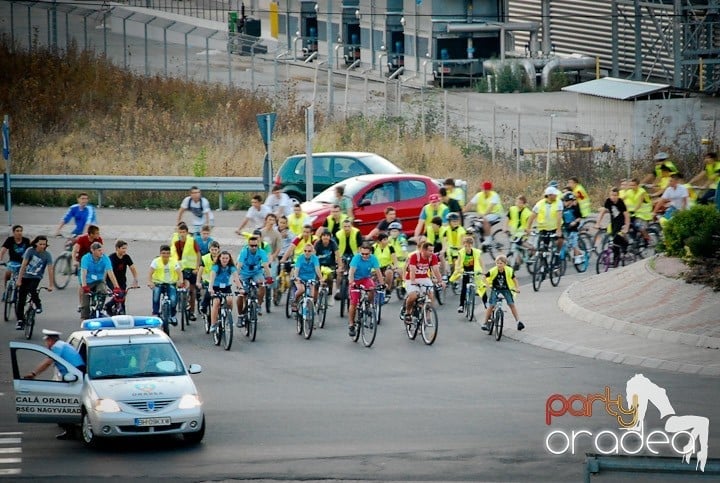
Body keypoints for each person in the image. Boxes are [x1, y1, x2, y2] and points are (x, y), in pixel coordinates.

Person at [25, 328, 86, 440]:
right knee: (65, 403)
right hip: (74, 375)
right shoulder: (62, 345)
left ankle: (70, 431)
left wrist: (34, 373)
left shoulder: (57, 346)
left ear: (50, 340)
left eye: (47, 341)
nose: (46, 344)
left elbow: (48, 362)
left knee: (64, 403)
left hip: (74, 375)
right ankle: (70, 429)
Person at [15, 236, 54, 330]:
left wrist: (51, 285)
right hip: (25, 276)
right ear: (36, 243)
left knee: (32, 289)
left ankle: (38, 304)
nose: (42, 246)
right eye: (40, 244)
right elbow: (24, 265)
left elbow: (50, 269)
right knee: (21, 299)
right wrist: (19, 280)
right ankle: (20, 320)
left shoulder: (47, 255)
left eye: (44, 244)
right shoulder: (30, 251)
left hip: (36, 277)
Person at [402, 241, 444, 325]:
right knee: (413, 296)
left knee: (430, 295)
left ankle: (427, 316)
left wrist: (440, 281)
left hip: (424, 278)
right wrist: (413, 281)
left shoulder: (433, 257)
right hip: (411, 278)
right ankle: (408, 312)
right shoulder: (415, 256)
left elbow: (436, 270)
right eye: (430, 251)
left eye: (433, 250)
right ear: (423, 250)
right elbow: (412, 270)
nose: (432, 253)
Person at [347, 243, 384, 337]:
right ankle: (351, 324)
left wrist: (382, 284)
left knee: (372, 288)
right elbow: (351, 272)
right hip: (355, 280)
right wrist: (352, 283)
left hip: (365, 278)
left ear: (370, 253)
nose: (364, 256)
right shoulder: (356, 258)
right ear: (360, 251)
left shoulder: (373, 258)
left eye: (366, 254)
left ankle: (369, 305)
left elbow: (378, 272)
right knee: (354, 303)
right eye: (362, 253)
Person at [236, 235, 273, 324]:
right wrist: (236, 277)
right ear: (248, 245)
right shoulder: (244, 252)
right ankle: (240, 316)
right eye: (251, 246)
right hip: (244, 273)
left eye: (255, 246)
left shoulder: (261, 252)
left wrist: (269, 277)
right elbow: (239, 265)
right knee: (241, 294)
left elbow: (265, 265)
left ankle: (258, 305)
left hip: (257, 272)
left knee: (262, 285)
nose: (254, 248)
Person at [80, 242, 120, 320]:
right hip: (88, 281)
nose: (101, 252)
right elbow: (83, 273)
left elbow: (110, 273)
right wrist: (84, 286)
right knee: (85, 305)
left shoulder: (105, 258)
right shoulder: (86, 258)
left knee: (103, 291)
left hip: (99, 281)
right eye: (99, 250)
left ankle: (99, 309)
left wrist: (116, 287)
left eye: (101, 250)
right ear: (92, 251)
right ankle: (84, 318)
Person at [482, 255, 523, 331]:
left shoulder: (509, 270)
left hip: (506, 289)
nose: (499, 265)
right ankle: (485, 323)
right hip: (495, 289)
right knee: (492, 305)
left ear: (505, 264)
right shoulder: (493, 270)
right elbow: (484, 276)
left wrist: (517, 288)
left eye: (501, 263)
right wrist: (487, 285)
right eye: (497, 263)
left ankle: (518, 322)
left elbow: (514, 280)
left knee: (511, 304)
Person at [171, 222, 201, 320]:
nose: (182, 234)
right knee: (178, 287)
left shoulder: (192, 241)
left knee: (192, 291)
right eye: (180, 232)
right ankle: (177, 307)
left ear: (187, 232)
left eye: (184, 232)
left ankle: (192, 312)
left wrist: (197, 268)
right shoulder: (175, 241)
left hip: (191, 268)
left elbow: (198, 254)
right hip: (179, 268)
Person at [208, 250, 242, 333]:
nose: (225, 260)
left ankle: (228, 317)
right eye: (223, 258)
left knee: (230, 300)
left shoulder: (231, 267)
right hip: (216, 287)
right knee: (216, 302)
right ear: (219, 258)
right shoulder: (216, 266)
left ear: (229, 259)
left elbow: (236, 278)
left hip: (226, 287)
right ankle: (213, 324)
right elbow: (212, 277)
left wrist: (240, 288)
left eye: (226, 258)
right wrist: (210, 288)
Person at [449, 235, 485, 313]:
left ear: (472, 245)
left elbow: (481, 262)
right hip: (465, 270)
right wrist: (459, 269)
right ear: (463, 245)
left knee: (481, 286)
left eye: (469, 245)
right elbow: (458, 263)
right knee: (464, 288)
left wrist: (483, 271)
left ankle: (486, 303)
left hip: (474, 269)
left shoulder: (476, 252)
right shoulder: (461, 252)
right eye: (465, 245)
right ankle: (461, 305)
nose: (467, 247)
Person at [148, 244, 183, 325]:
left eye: (167, 253)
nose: (165, 255)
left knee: (173, 299)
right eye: (163, 253)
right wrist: (150, 282)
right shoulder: (156, 261)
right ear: (160, 253)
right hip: (158, 283)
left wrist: (180, 281)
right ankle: (155, 313)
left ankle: (173, 315)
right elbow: (150, 272)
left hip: (171, 283)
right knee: (156, 297)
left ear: (170, 254)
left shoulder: (174, 261)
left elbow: (179, 272)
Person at [103, 240, 140, 315]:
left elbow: (132, 268)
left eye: (125, 248)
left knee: (122, 299)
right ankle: (108, 306)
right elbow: (107, 271)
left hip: (122, 281)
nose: (125, 250)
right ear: (117, 248)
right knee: (119, 295)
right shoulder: (111, 257)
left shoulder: (126, 257)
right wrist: (103, 282)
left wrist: (135, 279)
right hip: (111, 281)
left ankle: (123, 314)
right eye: (123, 248)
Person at [72, 224, 103, 310]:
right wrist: (74, 260)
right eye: (97, 233)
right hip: (82, 264)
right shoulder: (82, 239)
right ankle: (81, 303)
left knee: (97, 280)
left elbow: (101, 252)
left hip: (94, 264)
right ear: (91, 234)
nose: (98, 235)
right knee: (82, 284)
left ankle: (95, 298)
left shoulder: (98, 240)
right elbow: (74, 250)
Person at [596, 188, 631, 265]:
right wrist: (598, 223)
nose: (613, 197)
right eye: (612, 195)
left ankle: (625, 246)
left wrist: (626, 227)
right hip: (614, 222)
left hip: (622, 222)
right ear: (609, 195)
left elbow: (626, 215)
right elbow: (603, 212)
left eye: (615, 195)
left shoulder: (620, 202)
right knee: (614, 242)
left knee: (617, 238)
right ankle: (616, 259)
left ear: (618, 196)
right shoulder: (608, 201)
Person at [463, 180, 503, 246]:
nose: (485, 191)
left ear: (490, 189)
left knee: (485, 219)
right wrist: (462, 212)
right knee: (473, 222)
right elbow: (470, 204)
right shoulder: (479, 195)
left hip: (495, 213)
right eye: (484, 189)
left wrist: (483, 215)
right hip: (483, 215)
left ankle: (488, 239)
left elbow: (490, 208)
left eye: (487, 189)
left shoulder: (494, 195)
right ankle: (480, 240)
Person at [525, 187, 564, 252]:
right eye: (554, 194)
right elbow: (532, 216)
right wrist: (528, 228)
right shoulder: (540, 204)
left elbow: (559, 216)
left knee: (560, 240)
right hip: (543, 228)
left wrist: (559, 229)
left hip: (555, 227)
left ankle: (557, 252)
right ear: (549, 195)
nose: (556, 195)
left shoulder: (558, 202)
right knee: (543, 247)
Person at [291, 243, 323, 313]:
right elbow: (296, 270)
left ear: (312, 252)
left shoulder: (315, 258)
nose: (307, 252)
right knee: (301, 289)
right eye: (305, 251)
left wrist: (321, 278)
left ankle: (310, 315)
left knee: (311, 296)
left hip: (311, 278)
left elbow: (317, 269)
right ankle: (295, 301)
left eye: (309, 251)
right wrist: (296, 277)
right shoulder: (300, 258)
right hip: (300, 278)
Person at [0, 224, 30, 290]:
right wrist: (0, 259)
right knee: (8, 273)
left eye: (21, 231)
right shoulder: (10, 239)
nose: (19, 232)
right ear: (13, 232)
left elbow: (30, 251)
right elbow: (3, 250)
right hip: (13, 262)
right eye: (17, 231)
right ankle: (6, 290)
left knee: (24, 278)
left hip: (24, 263)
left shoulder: (26, 240)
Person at [313, 228, 339, 297]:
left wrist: (340, 266)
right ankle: (314, 300)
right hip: (319, 265)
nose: (325, 237)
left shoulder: (333, 243)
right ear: (321, 237)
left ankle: (330, 292)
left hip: (330, 264)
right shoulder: (318, 243)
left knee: (330, 278)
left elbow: (337, 255)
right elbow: (313, 255)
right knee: (316, 281)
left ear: (330, 237)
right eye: (324, 235)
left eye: (327, 236)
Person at [440, 212, 466, 277]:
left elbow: (463, 240)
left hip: (459, 249)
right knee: (448, 263)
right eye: (453, 221)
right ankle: (447, 275)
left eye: (457, 221)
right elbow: (444, 240)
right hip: (450, 249)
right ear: (449, 222)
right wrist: (443, 249)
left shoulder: (461, 230)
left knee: (456, 263)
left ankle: (455, 276)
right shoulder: (446, 230)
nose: (455, 223)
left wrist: (461, 247)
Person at [197, 240, 220, 315]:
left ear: (218, 249)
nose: (214, 251)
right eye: (212, 250)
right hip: (207, 280)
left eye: (215, 250)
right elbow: (200, 271)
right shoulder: (205, 258)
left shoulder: (222, 258)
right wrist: (198, 282)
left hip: (218, 281)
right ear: (209, 249)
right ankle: (203, 306)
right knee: (208, 293)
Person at [561, 193, 584, 264]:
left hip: (573, 228)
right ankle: (580, 253)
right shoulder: (563, 209)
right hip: (566, 228)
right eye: (564, 201)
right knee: (566, 244)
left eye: (567, 201)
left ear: (570, 201)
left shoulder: (575, 208)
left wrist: (574, 222)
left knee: (574, 243)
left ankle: (577, 257)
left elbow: (579, 218)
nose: (565, 202)